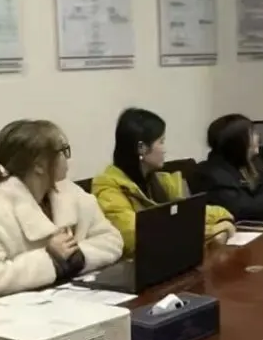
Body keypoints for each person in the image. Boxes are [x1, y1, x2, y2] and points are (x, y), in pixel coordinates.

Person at [0, 119, 123, 307]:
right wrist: (50, 261)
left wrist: (78, 257)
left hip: (62, 307)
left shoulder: (70, 192)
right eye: (62, 151)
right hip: (5, 317)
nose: (67, 159)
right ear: (39, 165)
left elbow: (112, 240)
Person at [92, 108, 235, 254]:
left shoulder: (162, 181)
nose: (164, 150)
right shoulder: (108, 187)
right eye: (161, 142)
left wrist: (223, 222)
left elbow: (206, 212)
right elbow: (138, 236)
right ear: (141, 148)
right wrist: (214, 231)